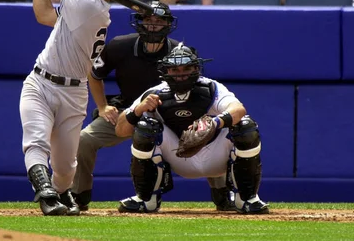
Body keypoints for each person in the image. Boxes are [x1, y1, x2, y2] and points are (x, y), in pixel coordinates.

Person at [22, 0, 127, 216]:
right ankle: (46, 193)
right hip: (40, 83)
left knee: (66, 167)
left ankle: (59, 190)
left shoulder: (88, 5)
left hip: (74, 92)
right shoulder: (82, 6)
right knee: (36, 142)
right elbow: (43, 14)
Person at [115, 43, 269, 214]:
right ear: (165, 71)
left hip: (215, 155)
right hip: (178, 156)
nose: (181, 74)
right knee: (145, 127)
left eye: (186, 68)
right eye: (175, 69)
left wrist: (214, 123)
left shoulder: (212, 87)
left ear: (196, 68)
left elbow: (239, 109)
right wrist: (138, 110)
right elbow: (121, 130)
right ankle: (146, 199)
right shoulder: (155, 92)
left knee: (245, 125)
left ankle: (246, 198)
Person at [70, 1, 179, 211]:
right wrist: (102, 107)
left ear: (168, 24)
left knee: (204, 134)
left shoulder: (178, 51)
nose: (153, 25)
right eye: (148, 20)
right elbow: (94, 75)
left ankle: (222, 196)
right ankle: (79, 194)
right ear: (139, 22)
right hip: (125, 113)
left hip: (166, 116)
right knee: (84, 139)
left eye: (159, 21)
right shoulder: (120, 46)